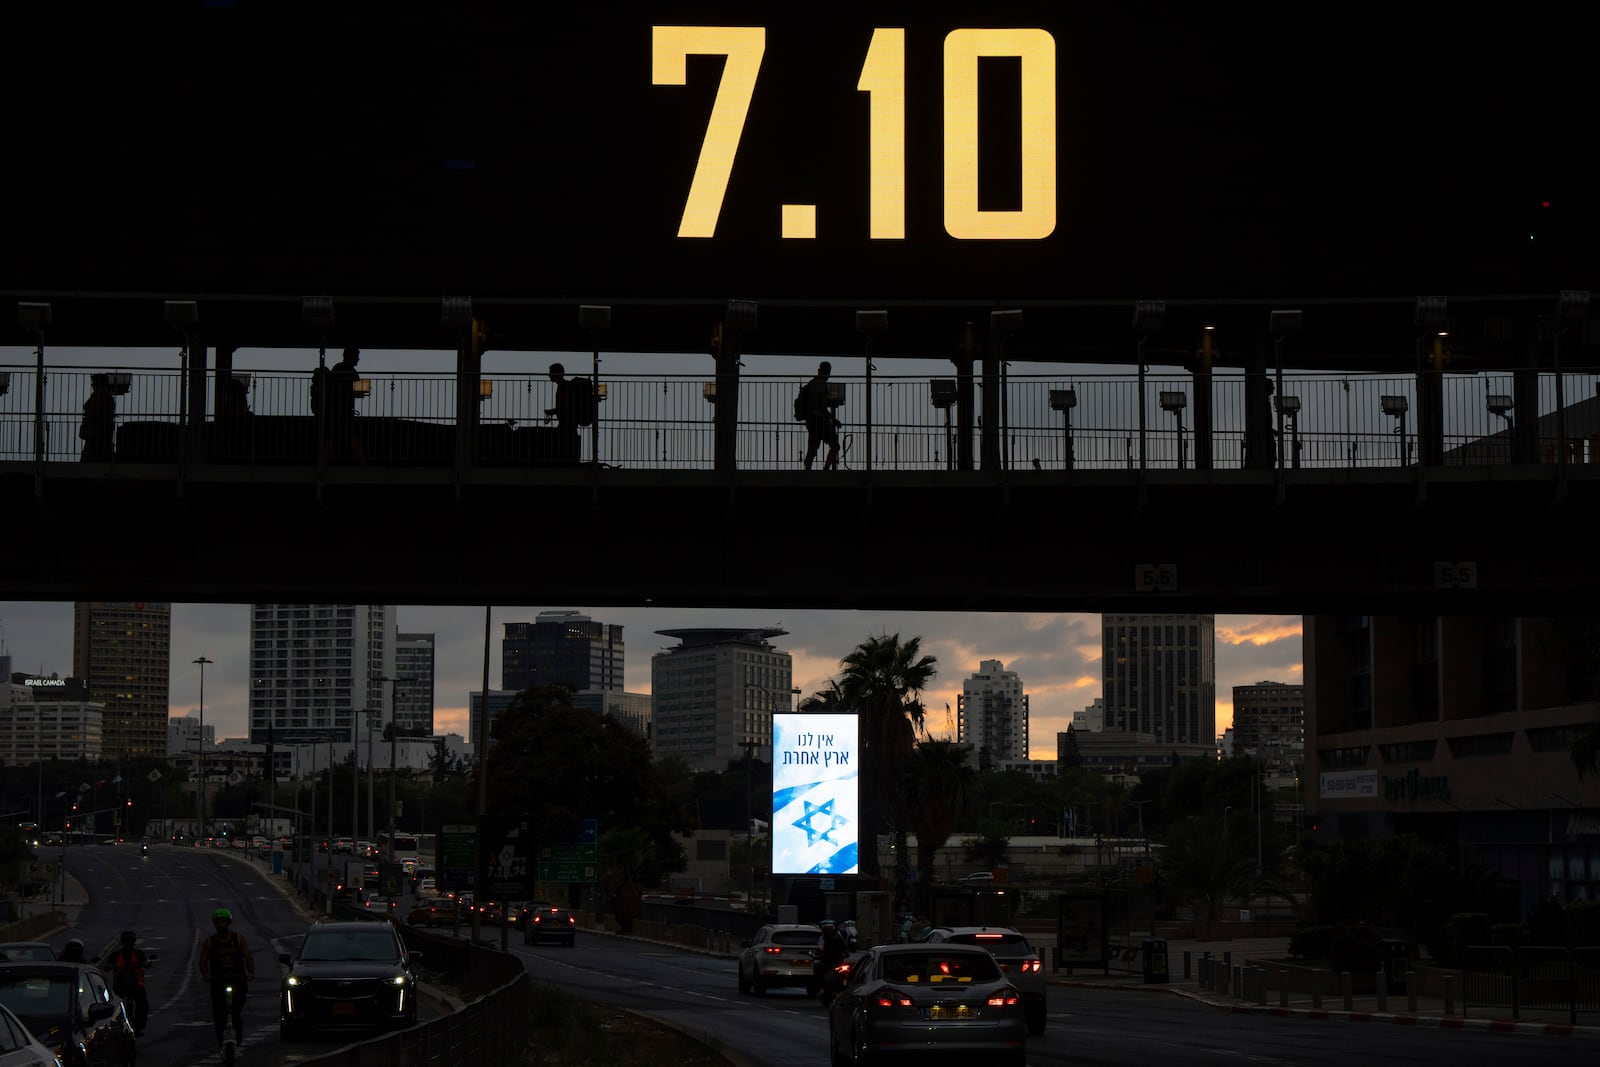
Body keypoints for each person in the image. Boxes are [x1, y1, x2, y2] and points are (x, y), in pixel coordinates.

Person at [199, 907, 255, 1050]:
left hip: (238, 979)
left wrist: (250, 972)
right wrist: (206, 974)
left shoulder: (238, 939)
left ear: (229, 922)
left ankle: (238, 1039)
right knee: (219, 1014)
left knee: (236, 1011)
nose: (221, 925)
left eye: (223, 922)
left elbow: (247, 956)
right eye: (218, 922)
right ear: (214, 924)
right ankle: (221, 1041)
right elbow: (203, 961)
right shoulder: (210, 942)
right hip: (218, 980)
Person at [322, 346, 367, 465]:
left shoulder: (337, 368)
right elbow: (358, 391)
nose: (358, 359)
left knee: (329, 438)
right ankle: (363, 467)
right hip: (344, 411)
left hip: (332, 411)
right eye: (357, 357)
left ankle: (322, 465)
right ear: (351, 357)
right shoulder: (352, 372)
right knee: (354, 437)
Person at [110, 930, 151, 1036]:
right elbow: (108, 965)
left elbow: (146, 963)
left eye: (131, 941)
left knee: (142, 1005)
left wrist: (146, 963)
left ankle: (139, 1026)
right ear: (123, 942)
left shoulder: (138, 954)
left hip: (137, 984)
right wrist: (110, 966)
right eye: (126, 941)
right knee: (113, 1006)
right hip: (121, 985)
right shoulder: (116, 954)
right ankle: (114, 1026)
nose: (128, 943)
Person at [800, 361, 839, 470]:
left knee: (812, 447)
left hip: (812, 420)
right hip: (820, 420)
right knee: (835, 446)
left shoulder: (812, 383)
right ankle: (826, 469)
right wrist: (833, 419)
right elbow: (820, 405)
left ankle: (807, 470)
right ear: (827, 372)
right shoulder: (820, 383)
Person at [543, 362, 582, 461]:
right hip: (569, 421)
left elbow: (565, 406)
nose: (549, 375)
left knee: (562, 442)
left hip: (567, 422)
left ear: (557, 373)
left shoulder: (563, 386)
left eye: (551, 372)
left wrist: (553, 411)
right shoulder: (564, 385)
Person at [80, 372, 116, 461]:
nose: (92, 385)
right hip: (100, 435)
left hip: (96, 435)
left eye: (93, 383)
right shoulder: (106, 395)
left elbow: (93, 409)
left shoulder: (100, 395)